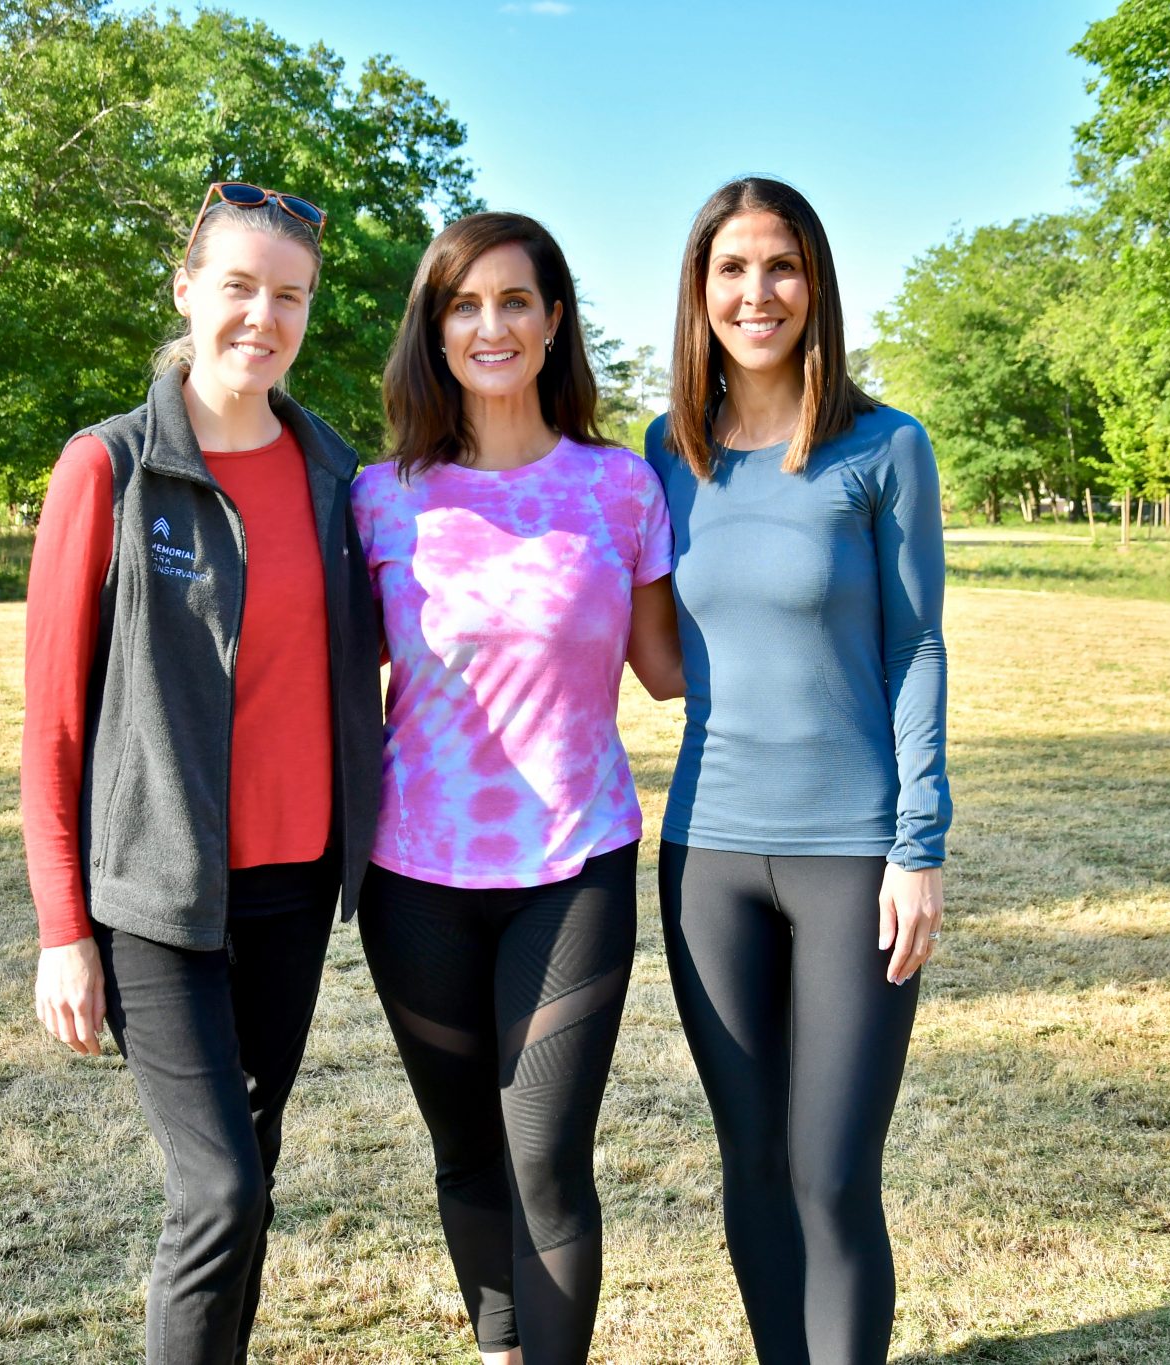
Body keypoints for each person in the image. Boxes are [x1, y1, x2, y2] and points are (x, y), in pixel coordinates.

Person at [20, 181, 381, 1365]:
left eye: (289, 297)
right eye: (237, 287)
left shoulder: (336, 476)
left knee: (251, 1186)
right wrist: (61, 928)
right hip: (157, 901)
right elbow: (55, 726)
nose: (260, 318)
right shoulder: (109, 468)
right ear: (186, 291)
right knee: (218, 1191)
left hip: (291, 888)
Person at [352, 210, 684, 1365]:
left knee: (544, 1156)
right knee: (466, 1154)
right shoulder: (378, 497)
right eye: (462, 304)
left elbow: (667, 669)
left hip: (572, 867)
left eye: (513, 301)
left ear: (552, 323)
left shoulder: (621, 487)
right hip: (414, 875)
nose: (488, 325)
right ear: (433, 330)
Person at [643, 176, 950, 1365]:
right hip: (705, 855)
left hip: (850, 860)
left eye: (778, 266)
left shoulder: (883, 448)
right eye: (729, 269)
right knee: (752, 1165)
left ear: (813, 282)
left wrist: (915, 845)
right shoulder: (664, 457)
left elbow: (914, 644)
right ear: (699, 291)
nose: (753, 292)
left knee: (828, 1175)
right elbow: (659, 662)